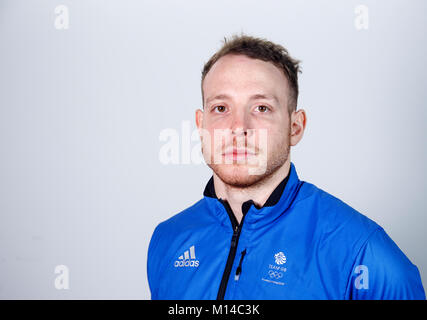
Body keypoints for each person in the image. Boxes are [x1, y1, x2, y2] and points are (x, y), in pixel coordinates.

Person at [147, 33, 425, 300]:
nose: (238, 128)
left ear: (295, 127)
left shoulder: (362, 252)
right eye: (221, 108)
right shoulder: (168, 239)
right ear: (201, 124)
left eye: (261, 108)